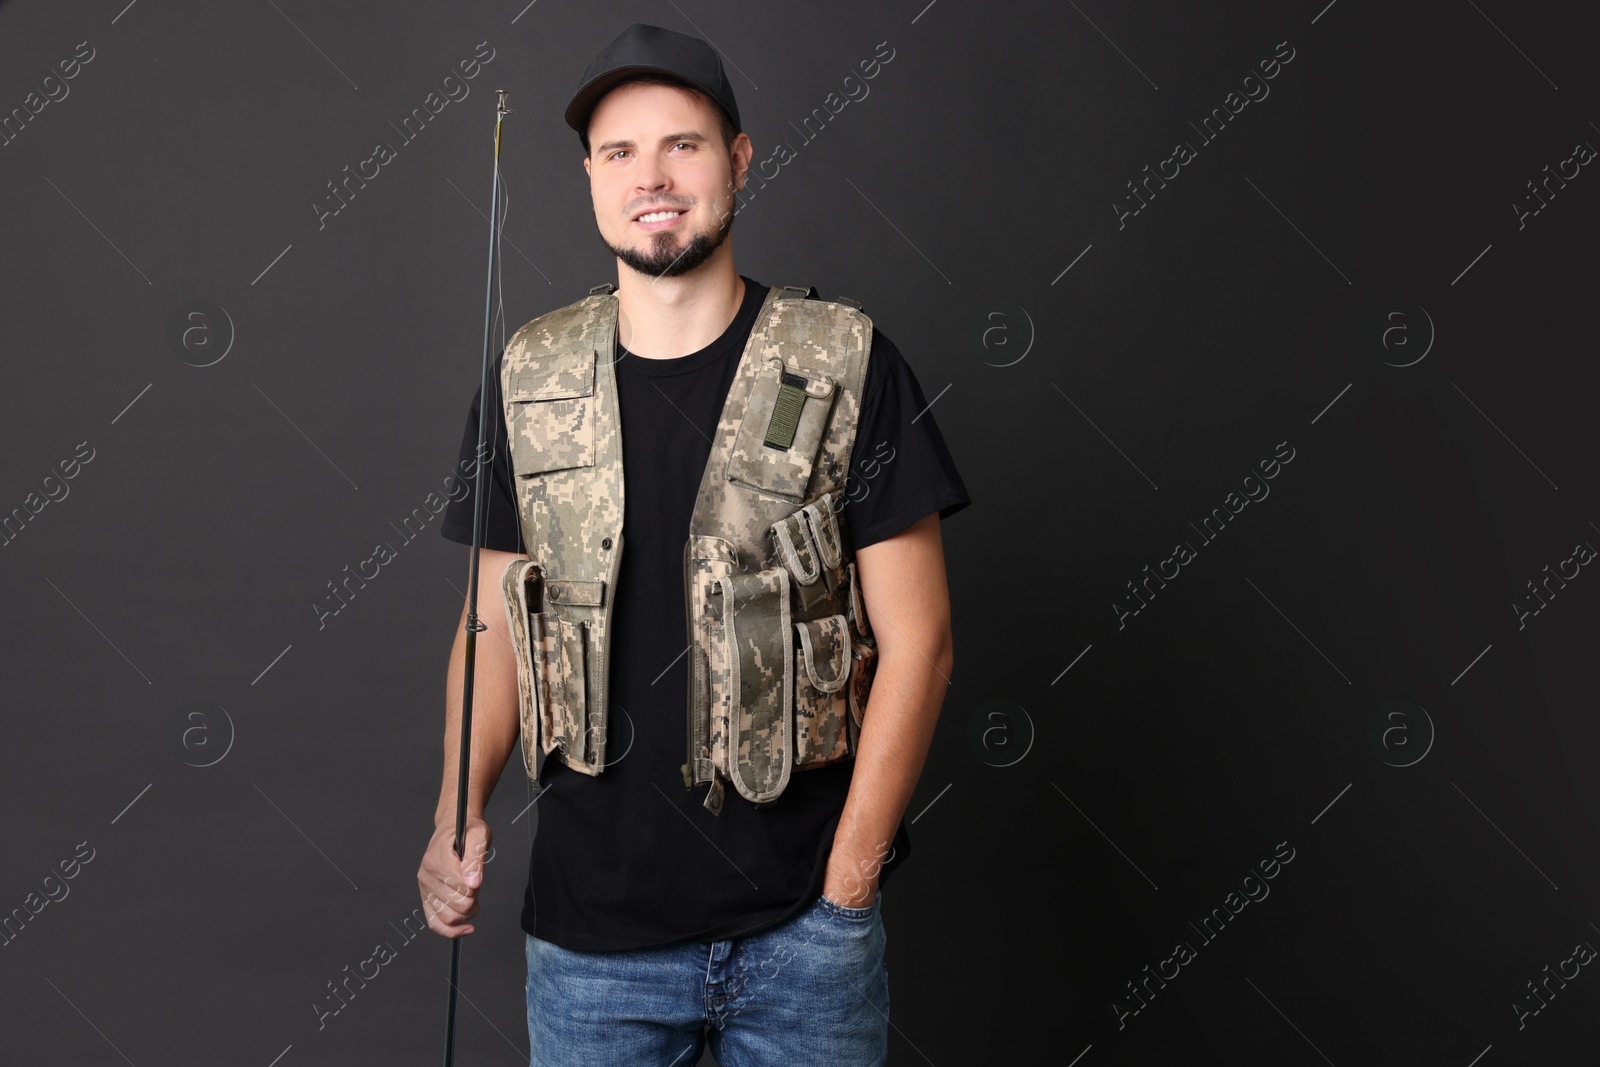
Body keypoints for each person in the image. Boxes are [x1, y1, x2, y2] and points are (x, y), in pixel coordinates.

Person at [416, 22, 970, 1066]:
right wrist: (458, 809)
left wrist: (846, 887)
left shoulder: (843, 363)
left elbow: (922, 643)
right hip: (591, 949)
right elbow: (490, 627)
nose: (652, 177)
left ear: (739, 159)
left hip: (803, 932)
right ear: (590, 178)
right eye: (619, 152)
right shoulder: (529, 383)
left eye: (684, 144)